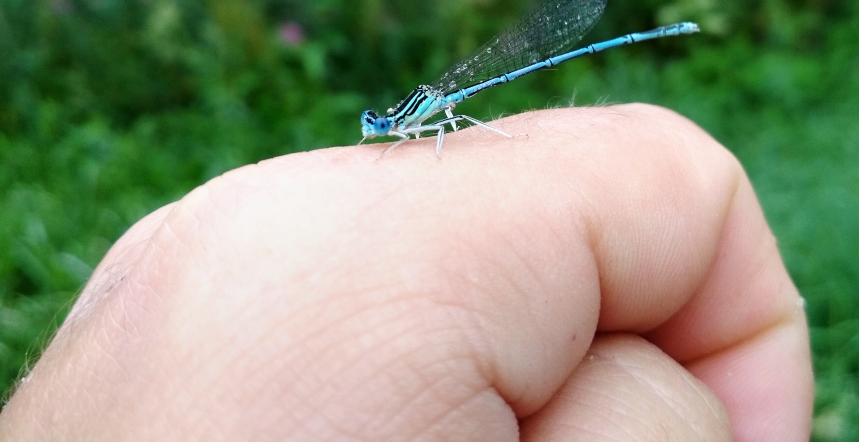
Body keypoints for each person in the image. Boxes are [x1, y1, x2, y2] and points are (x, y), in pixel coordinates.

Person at [0, 105, 813, 441]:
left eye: (387, 127)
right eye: (384, 127)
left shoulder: (435, 120)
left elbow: (451, 131)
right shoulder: (396, 127)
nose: (380, 130)